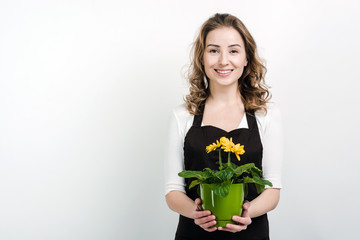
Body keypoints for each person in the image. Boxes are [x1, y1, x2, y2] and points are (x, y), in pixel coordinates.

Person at [164, 13, 283, 240]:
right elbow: (172, 191)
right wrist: (196, 214)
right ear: (202, 58)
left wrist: (245, 214)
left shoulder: (266, 115)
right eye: (214, 50)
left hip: (251, 233)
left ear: (246, 58)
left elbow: (272, 189)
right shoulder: (182, 116)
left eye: (234, 50)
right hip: (194, 234)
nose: (223, 60)